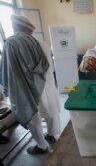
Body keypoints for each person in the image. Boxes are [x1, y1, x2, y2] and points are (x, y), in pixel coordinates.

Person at [1, 15, 61, 155]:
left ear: (15, 27)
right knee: (50, 111)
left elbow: (9, 72)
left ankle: (42, 146)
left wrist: (7, 87)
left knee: (33, 118)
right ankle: (52, 135)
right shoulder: (43, 44)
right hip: (48, 87)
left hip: (27, 90)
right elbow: (51, 69)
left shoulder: (11, 44)